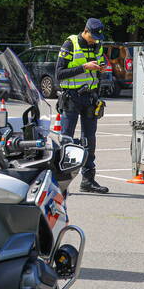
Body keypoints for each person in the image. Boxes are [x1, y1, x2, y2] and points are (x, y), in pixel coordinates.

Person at [56, 18, 109, 194]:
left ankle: (88, 181)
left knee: (89, 140)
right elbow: (59, 74)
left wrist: (101, 67)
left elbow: (101, 63)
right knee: (67, 141)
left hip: (90, 98)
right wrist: (84, 67)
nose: (95, 40)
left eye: (97, 37)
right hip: (71, 97)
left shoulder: (97, 44)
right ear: (85, 31)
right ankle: (59, 183)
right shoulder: (70, 43)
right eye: (93, 36)